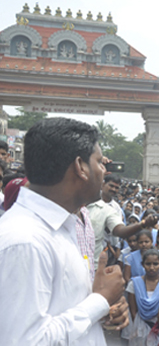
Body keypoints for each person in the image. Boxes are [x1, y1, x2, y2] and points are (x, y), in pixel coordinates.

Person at [0, 117, 126, 344]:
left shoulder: (61, 227)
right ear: (80, 167)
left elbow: (61, 312)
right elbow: (24, 341)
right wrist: (99, 300)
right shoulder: (25, 240)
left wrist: (100, 308)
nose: (104, 171)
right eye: (99, 162)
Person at [126, 249, 159, 346]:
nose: (152, 267)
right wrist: (139, 327)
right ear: (143, 265)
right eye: (148, 264)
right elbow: (133, 311)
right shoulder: (134, 284)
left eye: (155, 264)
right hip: (141, 327)